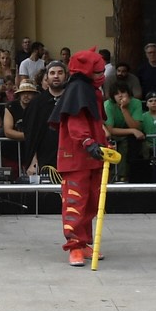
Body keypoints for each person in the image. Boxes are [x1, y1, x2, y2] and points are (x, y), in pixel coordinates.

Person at [49, 50, 117, 267]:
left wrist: (103, 143)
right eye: (98, 71)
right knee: (75, 200)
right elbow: (75, 123)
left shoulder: (91, 90)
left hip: (92, 157)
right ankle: (74, 245)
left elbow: (96, 123)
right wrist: (88, 143)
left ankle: (84, 241)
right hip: (77, 157)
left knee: (91, 202)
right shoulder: (78, 89)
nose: (102, 75)